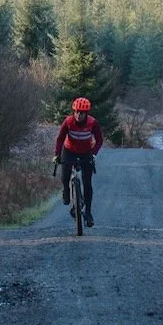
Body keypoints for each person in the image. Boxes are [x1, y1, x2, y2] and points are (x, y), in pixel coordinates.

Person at [54, 96, 102, 227]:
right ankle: (66, 191)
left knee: (87, 183)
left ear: (86, 113)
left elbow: (99, 140)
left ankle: (88, 212)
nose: (78, 115)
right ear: (73, 112)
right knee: (65, 176)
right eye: (76, 112)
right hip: (69, 151)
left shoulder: (93, 123)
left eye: (81, 113)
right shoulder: (68, 122)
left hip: (86, 152)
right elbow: (60, 139)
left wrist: (94, 154)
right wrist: (57, 154)